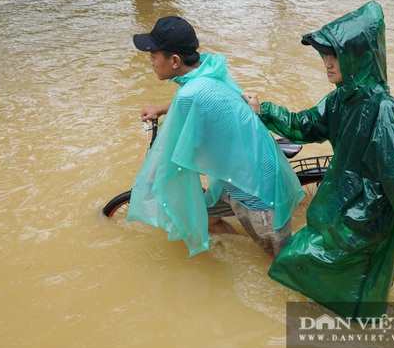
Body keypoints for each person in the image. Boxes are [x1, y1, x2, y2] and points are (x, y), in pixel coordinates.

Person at [242, 1, 394, 319]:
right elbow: (304, 125)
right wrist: (264, 110)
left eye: (334, 54)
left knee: (349, 290)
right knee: (297, 262)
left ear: (358, 56)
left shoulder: (383, 111)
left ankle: (363, 341)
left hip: (369, 218)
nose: (327, 62)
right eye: (325, 54)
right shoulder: (342, 98)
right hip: (342, 206)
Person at [127, 16, 304, 257]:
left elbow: (174, 148)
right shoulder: (210, 68)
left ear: (175, 60)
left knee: (278, 259)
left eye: (153, 56)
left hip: (257, 189)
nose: (150, 62)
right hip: (235, 173)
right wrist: (161, 109)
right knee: (207, 218)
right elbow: (190, 94)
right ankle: (240, 251)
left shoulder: (191, 94)